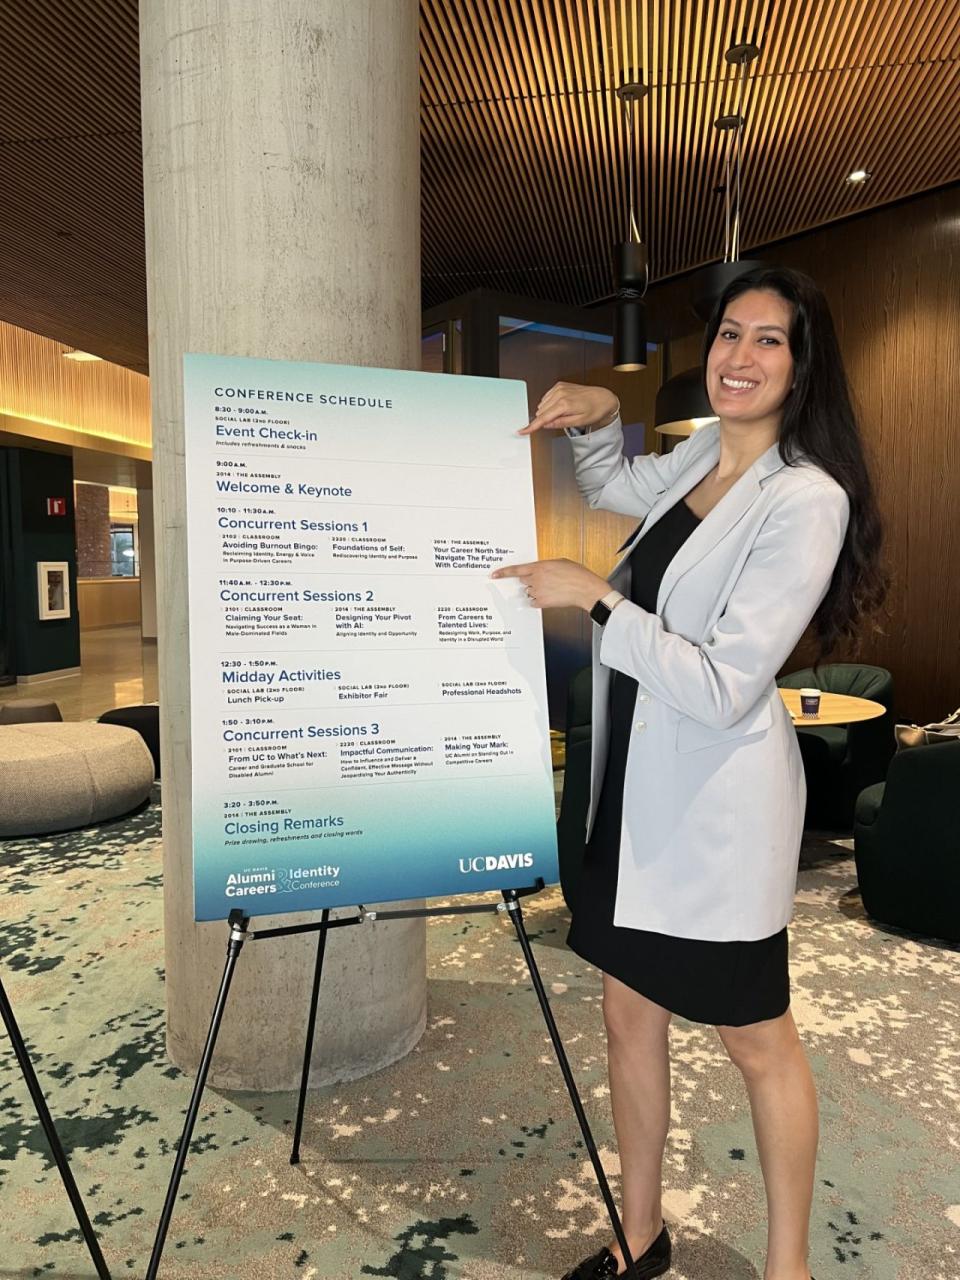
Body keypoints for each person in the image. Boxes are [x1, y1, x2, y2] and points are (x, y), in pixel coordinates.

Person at [492, 266, 886, 1280]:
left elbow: (722, 687)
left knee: (757, 1040)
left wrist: (598, 602)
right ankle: (641, 1232)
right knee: (629, 1010)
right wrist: (604, 413)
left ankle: (788, 1264)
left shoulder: (807, 499)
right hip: (631, 789)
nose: (739, 356)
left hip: (715, 810)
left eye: (769, 340)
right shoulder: (703, 451)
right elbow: (612, 484)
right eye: (727, 334)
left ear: (803, 368)